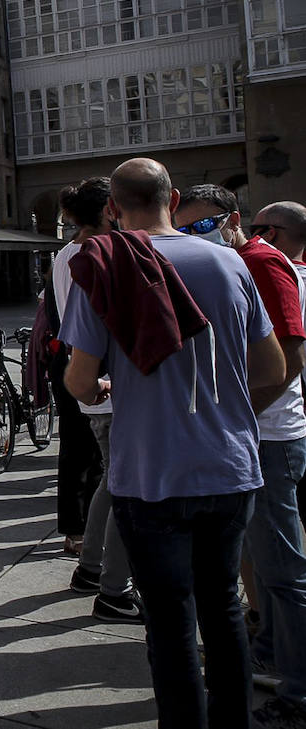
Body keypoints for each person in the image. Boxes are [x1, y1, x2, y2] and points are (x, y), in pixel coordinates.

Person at [62, 158, 284, 729]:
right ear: (173, 196)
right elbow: (273, 367)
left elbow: (80, 381)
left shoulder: (109, 266)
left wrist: (109, 383)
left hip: (149, 473)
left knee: (169, 620)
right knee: (225, 610)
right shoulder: (231, 264)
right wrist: (226, 414)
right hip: (230, 466)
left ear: (113, 208)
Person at [176, 185, 306, 729]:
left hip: (270, 436)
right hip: (258, 434)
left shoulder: (260, 263)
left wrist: (242, 417)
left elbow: (290, 357)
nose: (191, 239)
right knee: (260, 560)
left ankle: (299, 695)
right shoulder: (240, 262)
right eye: (183, 230)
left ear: (235, 221)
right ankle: (272, 650)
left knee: (283, 570)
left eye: (201, 227)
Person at [51, 177, 139, 623]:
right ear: (109, 210)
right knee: (119, 481)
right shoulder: (93, 254)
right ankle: (106, 582)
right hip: (105, 385)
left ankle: (91, 568)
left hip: (95, 382)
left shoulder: (70, 254)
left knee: (111, 477)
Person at [251, 200, 306, 530]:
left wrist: (245, 411)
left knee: (277, 542)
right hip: (291, 418)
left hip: (280, 423)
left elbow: (291, 360)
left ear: (270, 233)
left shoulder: (272, 276)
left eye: (254, 232)